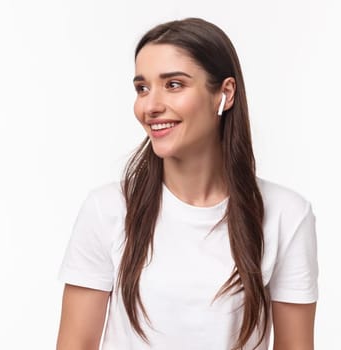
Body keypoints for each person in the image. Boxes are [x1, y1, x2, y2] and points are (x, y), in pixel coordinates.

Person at [55, 18, 318, 350]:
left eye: (174, 84)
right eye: (142, 88)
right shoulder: (107, 209)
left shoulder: (286, 214)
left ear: (224, 93)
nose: (150, 106)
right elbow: (75, 344)